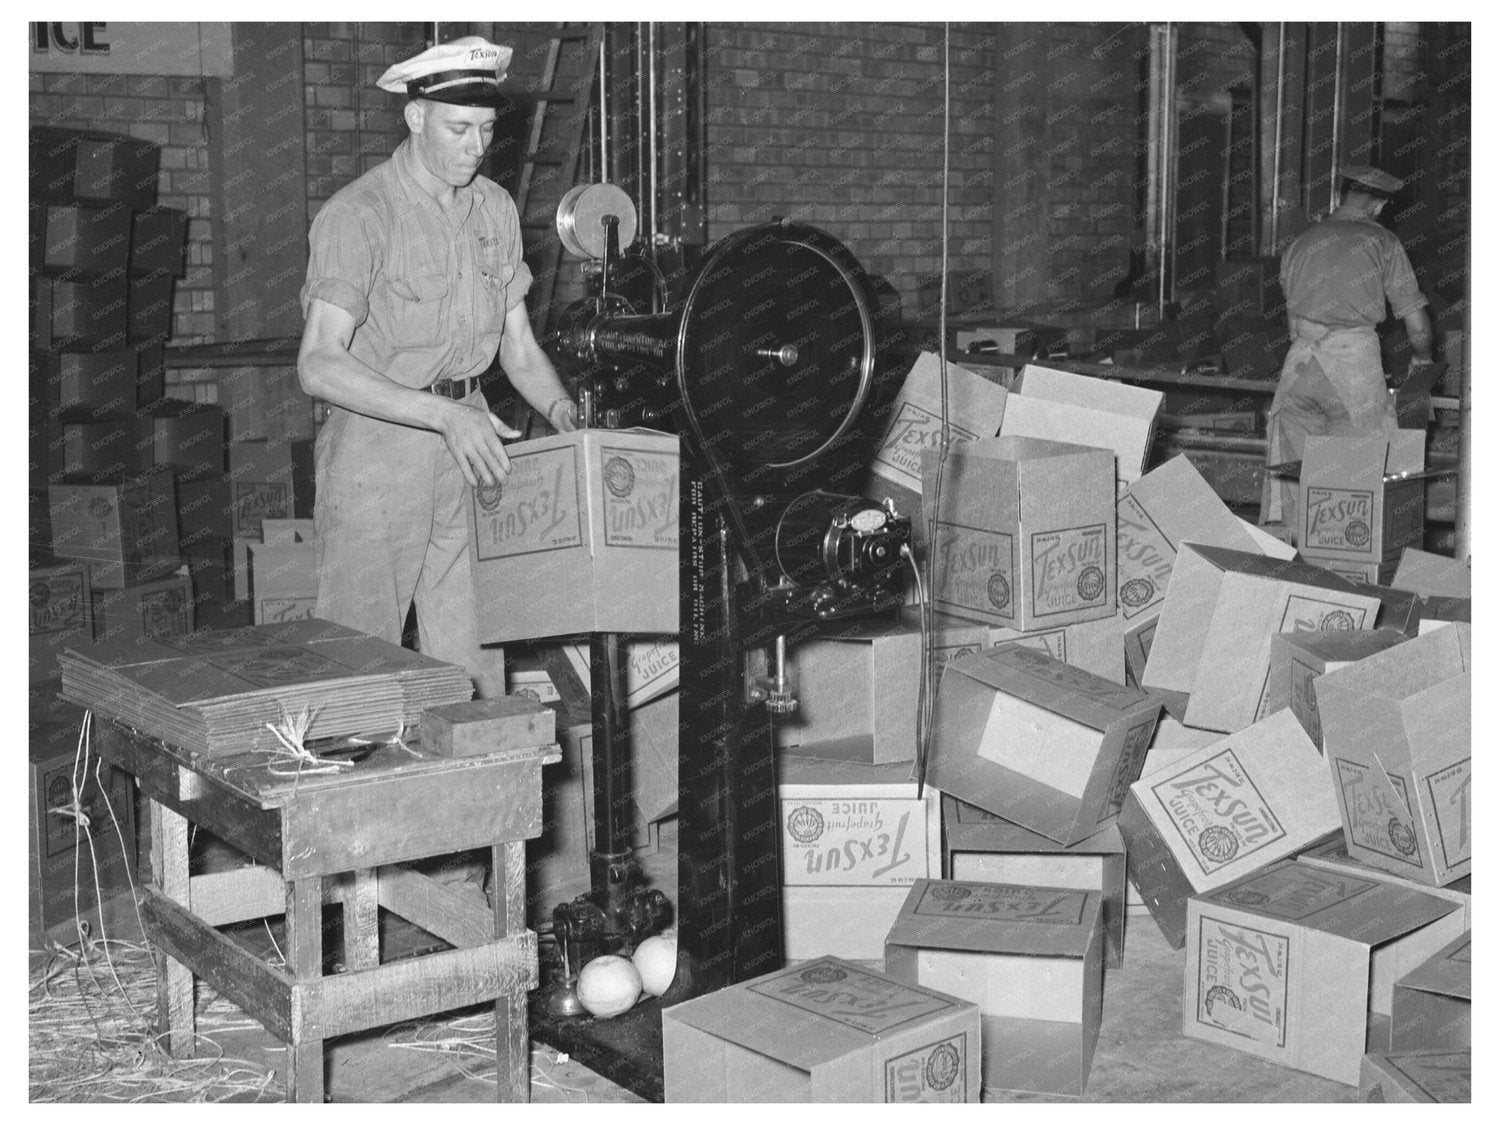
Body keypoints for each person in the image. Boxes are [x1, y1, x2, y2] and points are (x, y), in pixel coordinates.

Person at [298, 36, 578, 696]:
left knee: (474, 655)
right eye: (458, 128)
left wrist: (565, 412)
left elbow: (518, 347)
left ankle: (479, 762)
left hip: (470, 450)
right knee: (360, 662)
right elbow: (318, 363)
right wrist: (443, 414)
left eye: (486, 129)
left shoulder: (494, 209)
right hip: (378, 450)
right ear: (416, 116)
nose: (475, 146)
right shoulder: (359, 214)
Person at [1260, 164, 1434, 538]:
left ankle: (1289, 556)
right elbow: (1417, 324)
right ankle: (1349, 558)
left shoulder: (1300, 244)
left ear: (1341, 196)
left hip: (1300, 371)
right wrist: (1422, 357)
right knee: (1356, 484)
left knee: (1293, 482)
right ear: (1378, 206)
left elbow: (1293, 327)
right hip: (1353, 370)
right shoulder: (1383, 242)